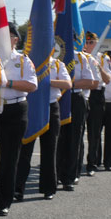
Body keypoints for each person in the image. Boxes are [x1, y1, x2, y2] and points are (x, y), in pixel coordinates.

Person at [0, 22, 37, 216]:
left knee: (9, 159)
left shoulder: (23, 60)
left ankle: (3, 202)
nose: (1, 39)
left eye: (6, 35)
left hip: (15, 109)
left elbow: (32, 85)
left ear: (15, 39)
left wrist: (7, 83)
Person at [15, 55, 71, 200]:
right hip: (32, 107)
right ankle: (18, 188)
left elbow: (68, 84)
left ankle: (48, 188)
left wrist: (47, 81)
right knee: (25, 149)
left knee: (50, 149)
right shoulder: (29, 61)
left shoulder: (57, 64)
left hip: (51, 107)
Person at [57, 48, 96, 191]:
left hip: (75, 97)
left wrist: (68, 84)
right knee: (57, 138)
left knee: (74, 138)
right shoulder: (54, 54)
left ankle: (69, 177)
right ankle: (55, 174)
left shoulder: (80, 57)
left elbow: (90, 81)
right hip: (58, 98)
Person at [83, 31, 111, 176]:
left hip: (96, 95)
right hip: (83, 93)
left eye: (92, 42)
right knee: (78, 131)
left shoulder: (103, 58)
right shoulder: (80, 56)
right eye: (87, 42)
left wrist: (99, 67)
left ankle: (92, 163)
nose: (89, 45)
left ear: (97, 43)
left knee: (94, 132)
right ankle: (75, 164)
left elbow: (108, 79)